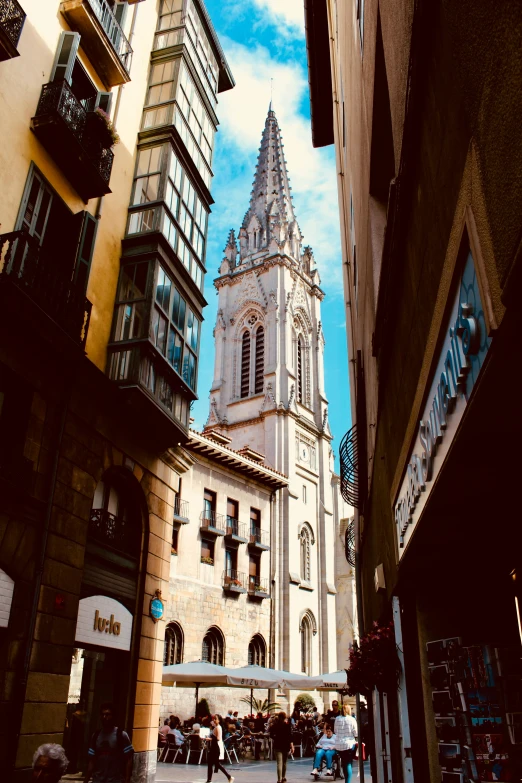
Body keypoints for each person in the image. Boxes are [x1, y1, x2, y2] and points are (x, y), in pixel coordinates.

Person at [84, 702, 134, 783]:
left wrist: (127, 779)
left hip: (115, 780)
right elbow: (92, 761)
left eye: (107, 714)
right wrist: (86, 780)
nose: (104, 717)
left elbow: (129, 759)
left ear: (113, 716)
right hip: (98, 779)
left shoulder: (121, 735)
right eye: (103, 714)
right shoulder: (96, 735)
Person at [205, 714, 235, 783]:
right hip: (214, 747)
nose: (214, 720)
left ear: (219, 720)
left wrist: (209, 739)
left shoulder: (218, 727)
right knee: (211, 763)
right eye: (213, 719)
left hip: (216, 747)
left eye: (215, 719)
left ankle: (229, 777)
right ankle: (209, 780)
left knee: (216, 763)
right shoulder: (217, 727)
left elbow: (218, 738)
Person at [334, 704, 358, 783]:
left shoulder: (337, 719)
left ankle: (346, 779)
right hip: (349, 744)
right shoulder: (352, 719)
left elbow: (335, 731)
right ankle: (348, 781)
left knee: (344, 763)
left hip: (339, 745)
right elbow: (356, 732)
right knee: (348, 763)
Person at [270, 711, 294, 783]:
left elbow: (271, 735)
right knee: (284, 762)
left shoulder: (274, 725)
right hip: (285, 745)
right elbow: (290, 737)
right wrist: (292, 746)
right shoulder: (287, 726)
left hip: (277, 745)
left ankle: (279, 779)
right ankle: (283, 777)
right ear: (285, 718)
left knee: (279, 763)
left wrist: (276, 738)